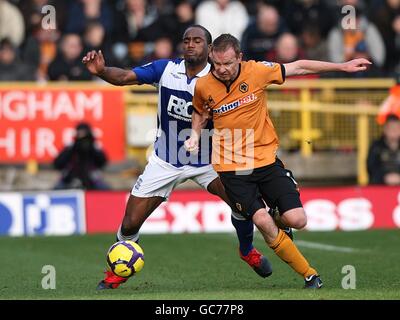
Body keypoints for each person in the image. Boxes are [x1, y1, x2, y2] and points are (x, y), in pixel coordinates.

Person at [82, 25, 272, 290]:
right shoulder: (165, 69)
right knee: (130, 222)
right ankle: (119, 270)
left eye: (197, 41)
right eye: (186, 40)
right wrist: (102, 71)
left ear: (209, 48)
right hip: (166, 159)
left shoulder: (222, 75)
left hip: (210, 160)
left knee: (243, 205)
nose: (190, 44)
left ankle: (247, 250)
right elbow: (125, 76)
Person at [185, 33, 371, 288]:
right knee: (261, 221)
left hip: (265, 160)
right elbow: (200, 112)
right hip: (231, 169)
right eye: (216, 64)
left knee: (297, 220)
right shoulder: (203, 85)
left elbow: (300, 66)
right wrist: (194, 135)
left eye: (228, 63)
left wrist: (341, 66)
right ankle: (310, 275)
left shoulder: (258, 71)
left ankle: (275, 216)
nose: (222, 69)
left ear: (240, 57)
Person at [54, 122, 110, 190]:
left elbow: (103, 162)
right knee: (57, 188)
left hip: (92, 179)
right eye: (80, 134)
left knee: (105, 188)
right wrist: (73, 148)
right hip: (70, 178)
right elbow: (57, 164)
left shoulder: (94, 147)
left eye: (84, 135)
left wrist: (91, 148)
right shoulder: (71, 147)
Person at [367, 114, 400, 185]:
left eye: (397, 128)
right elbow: (371, 168)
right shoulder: (376, 146)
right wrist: (384, 177)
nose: (394, 131)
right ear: (385, 129)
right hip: (381, 187)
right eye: (391, 128)